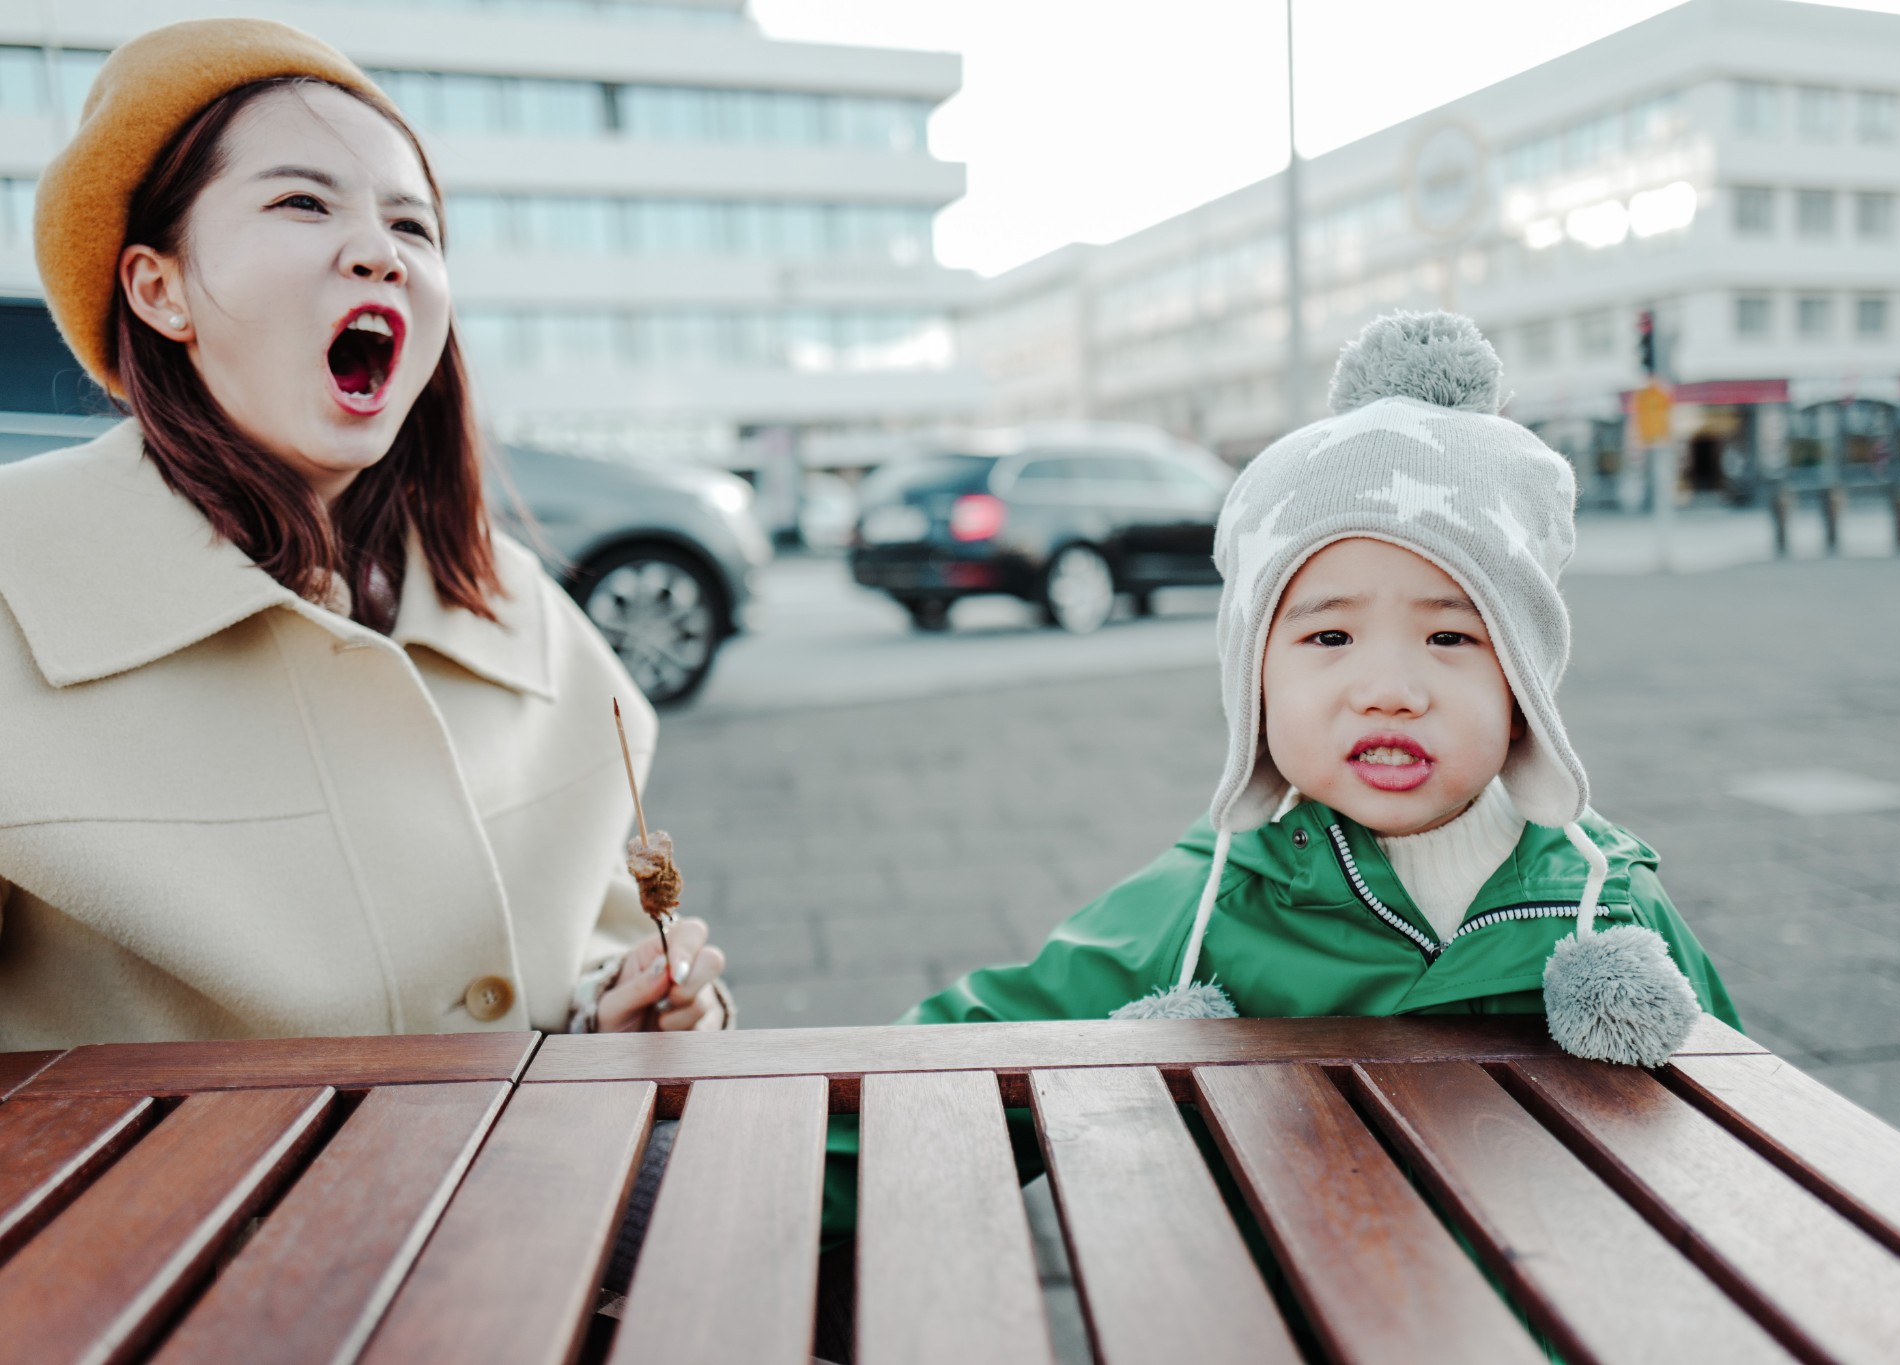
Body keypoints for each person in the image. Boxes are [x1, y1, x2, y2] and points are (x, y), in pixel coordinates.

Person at [819, 311, 1741, 1245]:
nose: (1388, 690)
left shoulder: (1608, 909)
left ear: (1525, 681)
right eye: (1329, 637)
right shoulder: (1207, 911)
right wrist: (730, 1178)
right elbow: (961, 1064)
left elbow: (1743, 1135)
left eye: (1452, 636)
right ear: (1256, 677)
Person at [0, 19, 728, 1047]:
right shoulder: (15, 583)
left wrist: (621, 1008)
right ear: (159, 289)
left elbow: (589, 953)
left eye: (415, 227)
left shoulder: (525, 619)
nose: (378, 252)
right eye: (302, 202)